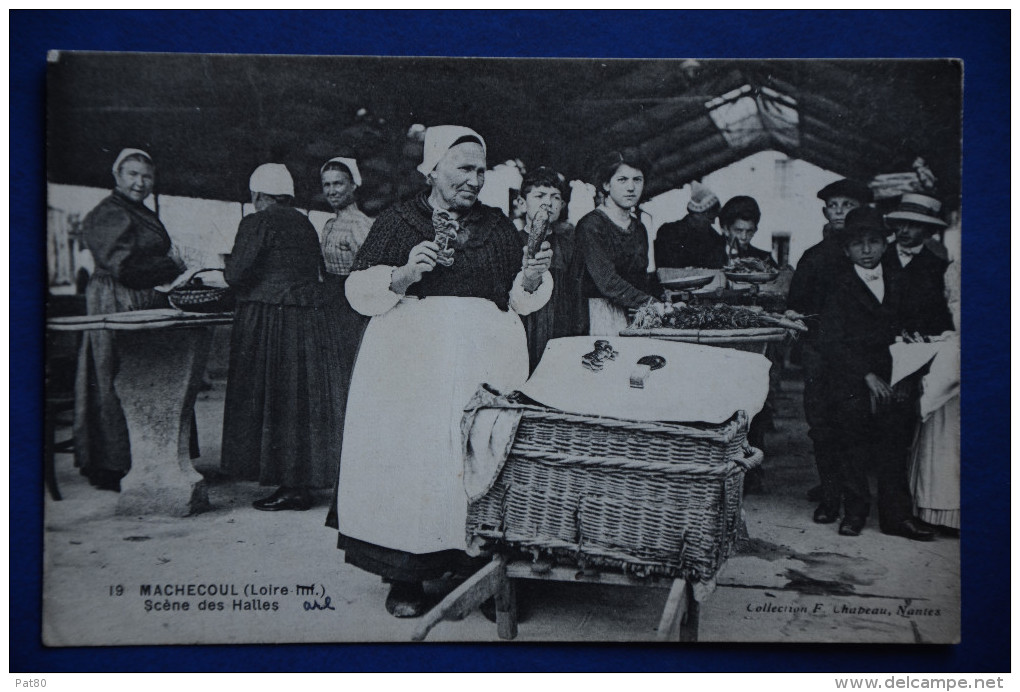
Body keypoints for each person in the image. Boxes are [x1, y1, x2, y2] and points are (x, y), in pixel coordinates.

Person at [331, 126, 553, 617]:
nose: (475, 179)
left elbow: (517, 297)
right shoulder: (399, 221)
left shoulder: (498, 227)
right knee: (415, 457)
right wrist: (403, 275)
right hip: (412, 361)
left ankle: (486, 572)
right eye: (463, 168)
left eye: (481, 170)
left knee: (483, 454)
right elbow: (358, 291)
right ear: (431, 169)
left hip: (486, 358)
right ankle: (407, 576)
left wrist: (533, 276)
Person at [221, 163, 345, 512]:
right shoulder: (303, 222)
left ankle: (292, 488)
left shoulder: (257, 221)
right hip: (307, 320)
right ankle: (300, 481)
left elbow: (237, 274)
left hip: (273, 319)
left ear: (257, 195)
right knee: (298, 403)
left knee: (275, 401)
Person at [816, 207, 934, 541]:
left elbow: (916, 328)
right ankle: (855, 512)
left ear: (885, 245)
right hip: (852, 377)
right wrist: (866, 375)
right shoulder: (837, 287)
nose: (866, 250)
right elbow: (832, 341)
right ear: (845, 249)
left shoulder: (901, 280)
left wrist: (907, 375)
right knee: (852, 443)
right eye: (858, 244)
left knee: (894, 445)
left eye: (873, 242)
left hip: (895, 373)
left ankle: (896, 516)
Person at [73, 148, 186, 491]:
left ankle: (147, 456)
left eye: (146, 176)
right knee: (113, 376)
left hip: (138, 298)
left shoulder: (138, 211)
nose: (140, 182)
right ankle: (112, 463)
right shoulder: (108, 213)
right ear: (117, 177)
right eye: (132, 174)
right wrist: (173, 266)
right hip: (115, 300)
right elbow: (124, 267)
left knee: (146, 375)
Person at [785, 178, 873, 518]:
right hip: (820, 354)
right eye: (833, 206)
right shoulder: (814, 257)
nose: (839, 213)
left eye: (847, 206)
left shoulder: (872, 256)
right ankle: (830, 497)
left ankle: (853, 499)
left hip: (860, 355)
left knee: (854, 427)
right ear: (825, 211)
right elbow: (796, 305)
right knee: (821, 425)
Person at [569, 150, 668, 336]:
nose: (631, 188)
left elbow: (641, 278)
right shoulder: (590, 226)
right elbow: (608, 282)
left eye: (637, 180)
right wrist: (651, 303)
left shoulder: (639, 228)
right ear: (606, 184)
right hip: (598, 319)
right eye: (622, 180)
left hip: (633, 315)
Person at [513, 166, 578, 370]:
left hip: (561, 326)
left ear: (562, 205)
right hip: (522, 328)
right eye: (540, 195)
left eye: (555, 197)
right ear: (522, 203)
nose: (548, 202)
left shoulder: (570, 245)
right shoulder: (511, 242)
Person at [319, 156, 373, 377]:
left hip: (353, 306)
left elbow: (371, 269)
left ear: (353, 185)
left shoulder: (360, 223)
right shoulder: (329, 224)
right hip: (331, 302)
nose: (332, 191)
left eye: (338, 183)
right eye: (327, 185)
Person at [881, 193, 954, 337]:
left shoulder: (938, 267)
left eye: (914, 224)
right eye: (901, 223)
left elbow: (940, 313)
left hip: (918, 346)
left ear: (929, 230)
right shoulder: (878, 256)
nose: (904, 230)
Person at [653, 182, 724, 269]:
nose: (713, 222)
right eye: (710, 218)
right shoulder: (669, 232)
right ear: (696, 215)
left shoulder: (714, 237)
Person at [719, 195, 774, 265]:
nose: (744, 237)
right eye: (738, 230)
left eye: (749, 231)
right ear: (726, 229)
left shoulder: (765, 258)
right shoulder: (707, 257)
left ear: (755, 230)